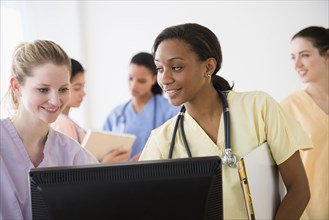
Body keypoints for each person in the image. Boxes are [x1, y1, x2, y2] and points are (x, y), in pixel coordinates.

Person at [139, 23, 312, 219]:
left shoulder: (258, 107)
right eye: (160, 69)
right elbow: (147, 206)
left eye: (176, 67)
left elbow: (299, 189)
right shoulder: (161, 140)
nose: (165, 79)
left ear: (208, 67)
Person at [0, 40, 99, 220]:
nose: (55, 101)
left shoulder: (73, 154)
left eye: (63, 89)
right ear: (16, 87)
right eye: (43, 89)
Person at [281, 26, 328, 219]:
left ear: (326, 55)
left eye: (305, 55)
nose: (297, 64)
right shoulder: (288, 107)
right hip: (312, 211)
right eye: (293, 57)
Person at [102, 52, 180, 161]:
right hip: (122, 175)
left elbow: (178, 147)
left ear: (154, 78)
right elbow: (101, 152)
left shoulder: (170, 110)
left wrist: (149, 155)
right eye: (130, 78)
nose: (133, 85)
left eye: (141, 81)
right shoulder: (116, 114)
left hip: (158, 173)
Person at [52, 58, 131, 162]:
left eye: (83, 87)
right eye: (77, 88)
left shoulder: (68, 123)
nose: (83, 93)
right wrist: (104, 164)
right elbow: (73, 172)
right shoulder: (62, 124)